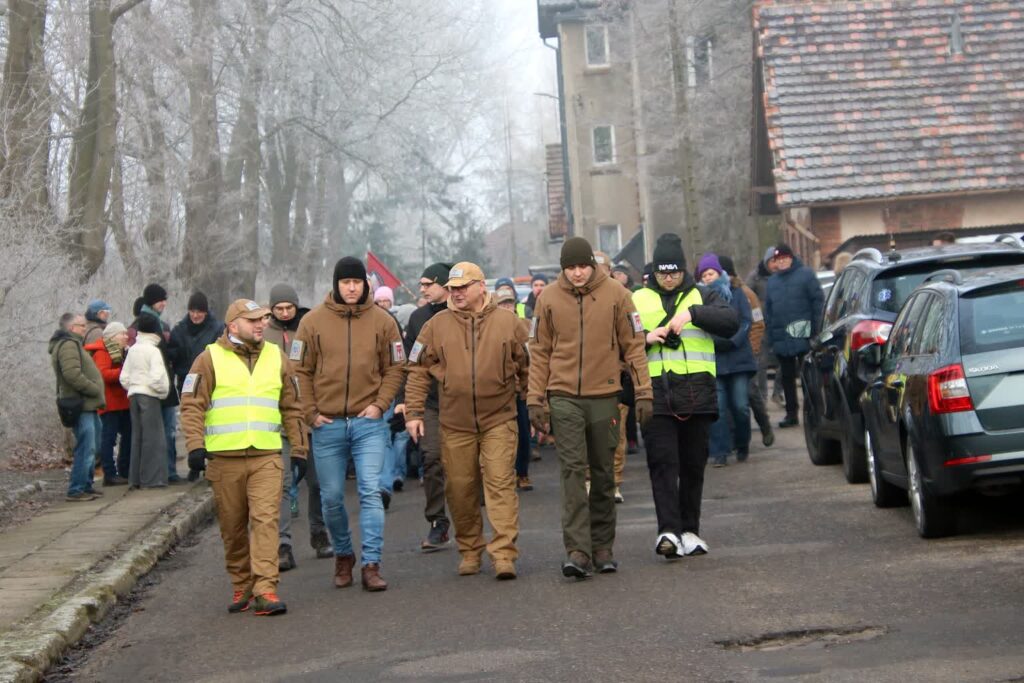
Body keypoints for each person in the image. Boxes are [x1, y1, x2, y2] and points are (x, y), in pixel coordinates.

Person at [528, 236, 653, 578]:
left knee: (602, 472)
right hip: (563, 395)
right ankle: (578, 551)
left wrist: (643, 391)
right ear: (563, 269)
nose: (578, 273)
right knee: (572, 471)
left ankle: (602, 547)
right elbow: (539, 351)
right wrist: (535, 398)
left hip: (604, 395)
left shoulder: (618, 295)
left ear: (593, 265)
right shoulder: (548, 298)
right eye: (571, 267)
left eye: (583, 266)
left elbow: (634, 345)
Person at [180, 299, 307, 616]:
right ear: (233, 325)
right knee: (233, 526)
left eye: (262, 319)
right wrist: (194, 446)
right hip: (224, 459)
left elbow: (292, 405)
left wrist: (300, 448)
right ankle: (242, 584)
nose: (261, 324)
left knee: (266, 520)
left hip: (267, 455)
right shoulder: (209, 359)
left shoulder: (276, 357)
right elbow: (192, 404)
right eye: (253, 320)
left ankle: (266, 589)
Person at [406, 262, 529, 579]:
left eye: (463, 287)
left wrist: (531, 401)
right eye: (453, 288)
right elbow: (417, 371)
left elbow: (527, 365)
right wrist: (414, 412)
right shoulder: (435, 326)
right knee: (460, 490)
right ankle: (470, 550)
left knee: (500, 485)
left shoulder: (509, 322)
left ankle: (503, 555)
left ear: (481, 286)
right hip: (455, 422)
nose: (457, 293)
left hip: (499, 418)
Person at [294, 257, 404, 592]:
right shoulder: (312, 322)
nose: (352, 288)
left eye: (357, 282)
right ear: (336, 285)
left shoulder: (383, 321)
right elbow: (299, 371)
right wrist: (310, 412)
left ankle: (372, 562)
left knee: (370, 491)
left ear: (366, 284)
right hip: (327, 424)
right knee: (330, 497)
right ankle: (344, 554)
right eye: (346, 282)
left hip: (368, 423)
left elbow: (395, 367)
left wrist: (380, 404)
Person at [633, 234, 738, 560]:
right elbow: (616, 340)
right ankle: (668, 531)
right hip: (656, 396)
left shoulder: (703, 294)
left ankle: (690, 531)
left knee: (693, 467)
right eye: (662, 273)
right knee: (663, 465)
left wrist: (693, 314)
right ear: (654, 272)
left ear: (683, 270)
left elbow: (731, 322)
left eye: (674, 272)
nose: (668, 279)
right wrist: (646, 338)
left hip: (698, 395)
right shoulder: (636, 299)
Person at [262, 283, 325, 568]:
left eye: (289, 307)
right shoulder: (264, 336)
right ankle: (283, 545)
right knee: (283, 484)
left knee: (318, 482)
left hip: (311, 417)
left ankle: (319, 532)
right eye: (279, 308)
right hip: (280, 420)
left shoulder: (310, 329)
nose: (285, 313)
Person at [401, 262, 454, 552]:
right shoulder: (418, 318)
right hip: (431, 402)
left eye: (427, 284)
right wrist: (409, 406)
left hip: (463, 401)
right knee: (431, 457)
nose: (422, 289)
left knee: (465, 465)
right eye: (420, 284)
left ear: (445, 284)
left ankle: (470, 520)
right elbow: (412, 365)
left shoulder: (462, 312)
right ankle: (438, 522)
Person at [697, 254, 757, 467]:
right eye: (704, 275)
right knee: (719, 409)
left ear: (719, 273)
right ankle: (720, 452)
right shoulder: (700, 297)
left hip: (738, 358)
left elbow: (746, 321)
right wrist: (714, 343)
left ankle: (742, 444)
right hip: (714, 360)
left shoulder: (738, 293)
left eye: (710, 273)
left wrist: (732, 341)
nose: (707, 278)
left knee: (740, 406)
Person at [764, 244, 824, 428]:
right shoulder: (772, 282)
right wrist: (771, 336)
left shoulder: (805, 275)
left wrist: (815, 330)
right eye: (778, 259)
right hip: (782, 336)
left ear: (791, 258)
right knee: (787, 378)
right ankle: (791, 414)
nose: (781, 262)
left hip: (804, 334)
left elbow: (818, 302)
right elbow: (769, 311)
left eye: (784, 258)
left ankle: (813, 412)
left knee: (808, 377)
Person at [50, 313, 106, 501]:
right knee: (86, 447)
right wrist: (93, 388)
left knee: (93, 445)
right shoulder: (68, 345)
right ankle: (77, 489)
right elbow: (72, 374)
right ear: (71, 328)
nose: (85, 328)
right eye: (82, 325)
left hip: (87, 404)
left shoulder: (74, 344)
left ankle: (86, 485)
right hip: (81, 405)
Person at [720, 256, 773, 449]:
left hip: (746, 353)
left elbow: (757, 323)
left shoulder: (746, 294)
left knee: (750, 393)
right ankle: (734, 438)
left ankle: (764, 424)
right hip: (725, 357)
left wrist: (752, 348)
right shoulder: (714, 294)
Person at [132, 283, 182, 482]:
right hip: (158, 388)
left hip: (154, 387)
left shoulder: (151, 322)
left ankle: (157, 474)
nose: (164, 303)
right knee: (164, 432)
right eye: (161, 300)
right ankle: (165, 473)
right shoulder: (150, 323)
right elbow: (158, 356)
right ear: (152, 301)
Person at [120, 315, 170, 488]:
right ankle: (152, 479)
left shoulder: (133, 349)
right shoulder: (153, 351)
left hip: (133, 395)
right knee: (153, 439)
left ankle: (135, 479)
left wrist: (134, 386)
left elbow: (124, 377)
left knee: (137, 438)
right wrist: (162, 391)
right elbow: (157, 378)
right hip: (149, 396)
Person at [495, 289, 534, 491]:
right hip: (499, 391)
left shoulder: (525, 325)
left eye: (509, 303)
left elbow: (532, 358)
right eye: (502, 304)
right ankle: (503, 475)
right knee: (500, 438)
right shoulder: (491, 327)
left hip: (520, 390)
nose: (506, 307)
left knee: (523, 435)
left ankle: (523, 473)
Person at [85, 322, 131, 485]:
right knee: (109, 439)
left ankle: (124, 470)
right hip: (110, 403)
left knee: (128, 435)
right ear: (112, 337)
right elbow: (103, 374)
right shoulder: (102, 352)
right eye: (122, 334)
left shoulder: (121, 352)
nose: (126, 337)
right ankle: (110, 474)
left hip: (122, 402)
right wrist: (125, 372)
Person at [746, 248, 784, 407]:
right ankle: (762, 396)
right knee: (761, 362)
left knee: (784, 360)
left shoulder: (783, 276)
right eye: (772, 261)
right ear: (767, 261)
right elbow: (748, 298)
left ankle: (778, 392)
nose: (775, 264)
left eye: (777, 261)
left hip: (780, 323)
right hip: (762, 325)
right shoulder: (755, 277)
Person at [170, 292, 224, 394]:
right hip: (186, 383)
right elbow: (172, 356)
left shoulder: (217, 330)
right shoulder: (179, 330)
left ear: (205, 312)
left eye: (199, 312)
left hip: (209, 382)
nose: (195, 315)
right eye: (192, 311)